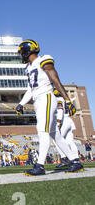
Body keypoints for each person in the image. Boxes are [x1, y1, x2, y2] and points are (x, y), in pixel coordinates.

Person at [15, 40, 83, 175]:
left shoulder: (44, 59)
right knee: (54, 134)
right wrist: (21, 103)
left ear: (27, 51)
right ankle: (75, 161)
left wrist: (67, 99)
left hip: (46, 97)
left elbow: (55, 79)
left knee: (42, 130)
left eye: (22, 52)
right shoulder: (29, 67)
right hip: (38, 100)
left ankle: (40, 165)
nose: (21, 55)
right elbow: (31, 89)